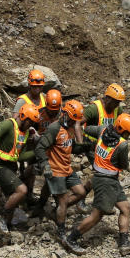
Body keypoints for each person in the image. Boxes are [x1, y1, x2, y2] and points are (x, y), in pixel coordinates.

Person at [64, 113, 130, 254]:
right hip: (107, 181)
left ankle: (124, 243)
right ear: (123, 130)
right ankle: (71, 239)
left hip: (102, 177)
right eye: (128, 133)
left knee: (125, 208)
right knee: (96, 216)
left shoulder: (103, 129)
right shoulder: (122, 145)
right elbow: (123, 165)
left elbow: (87, 129)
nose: (128, 136)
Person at [0, 102, 41, 233]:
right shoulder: (8, 124)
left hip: (10, 167)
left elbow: (20, 156)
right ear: (23, 117)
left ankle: (6, 230)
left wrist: (36, 152)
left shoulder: (25, 133)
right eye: (30, 122)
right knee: (22, 190)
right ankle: (1, 217)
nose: (30, 126)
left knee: (13, 198)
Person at [36, 99, 88, 244]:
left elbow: (70, 147)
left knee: (81, 193)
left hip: (67, 168)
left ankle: (57, 210)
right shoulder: (54, 128)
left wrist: (84, 146)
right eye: (72, 120)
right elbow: (40, 147)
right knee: (63, 199)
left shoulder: (70, 128)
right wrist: (45, 165)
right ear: (65, 115)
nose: (74, 124)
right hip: (55, 169)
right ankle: (61, 231)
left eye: (75, 122)